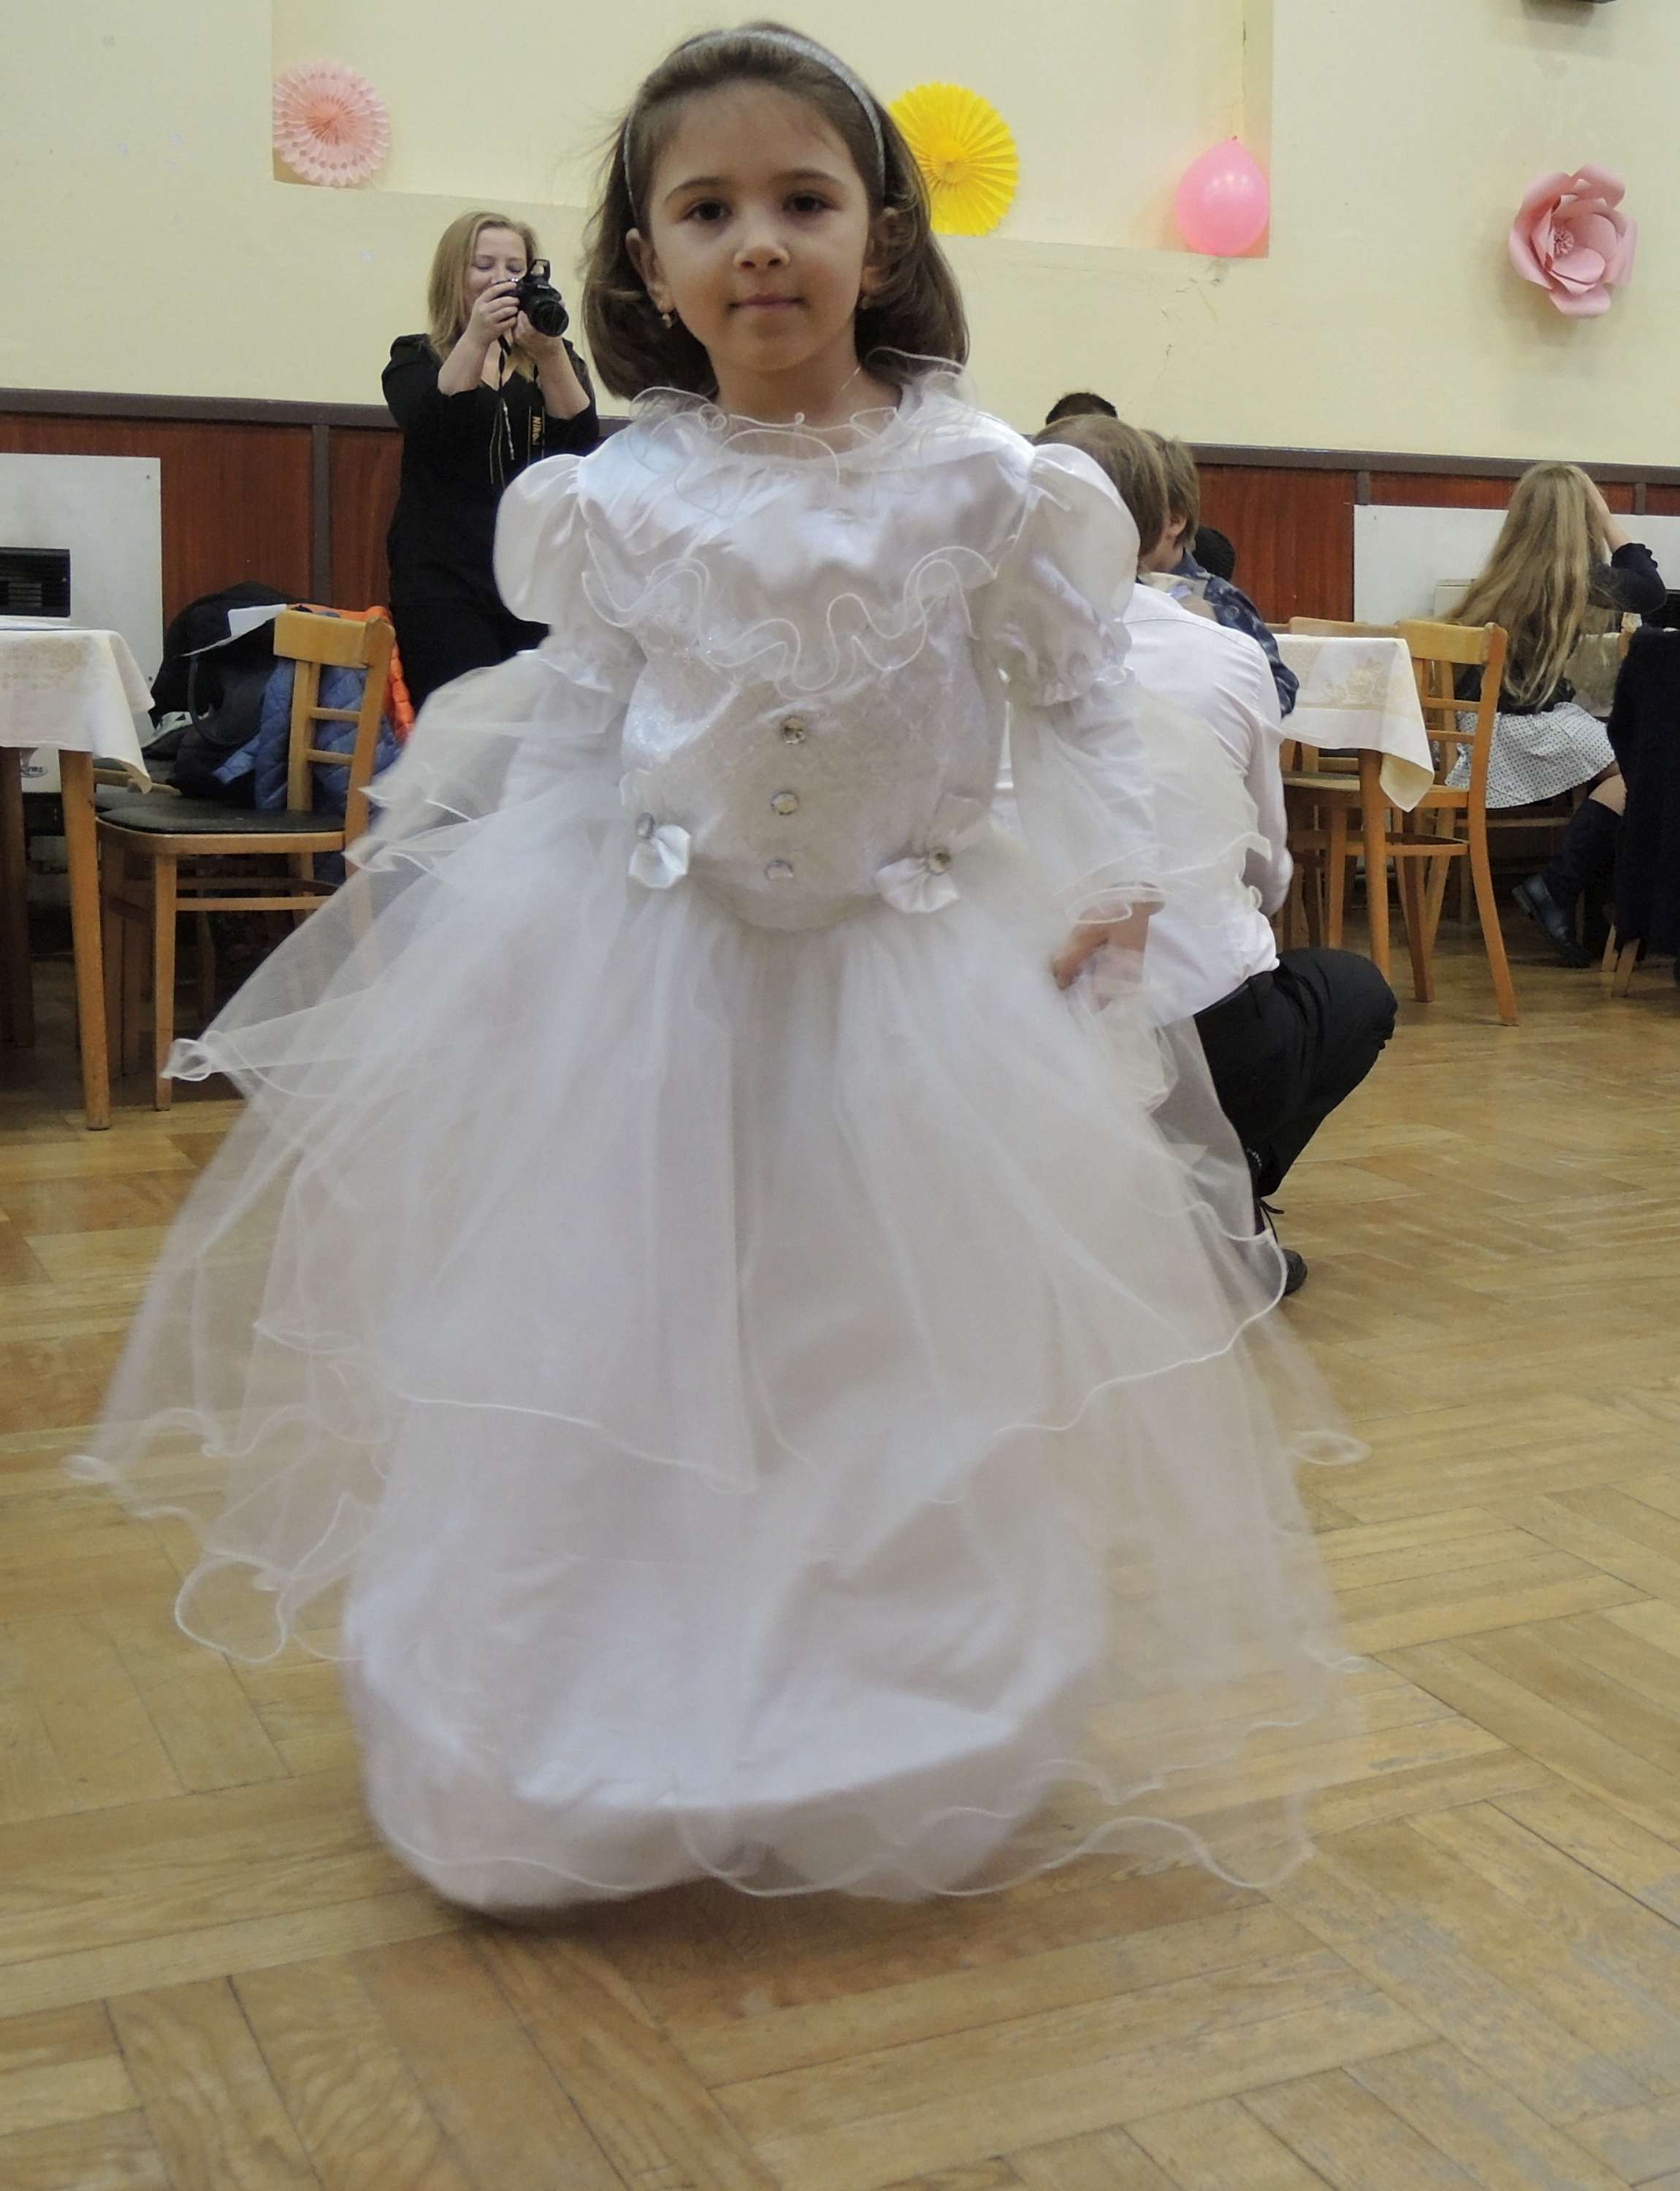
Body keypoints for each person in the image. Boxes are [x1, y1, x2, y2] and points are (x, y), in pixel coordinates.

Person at [78, 21, 1349, 1912]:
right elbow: (579, 726)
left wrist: (1119, 884)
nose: (759, 240)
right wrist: (493, 918)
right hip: (652, 972)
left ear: (880, 237)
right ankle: (580, 1716)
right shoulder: (612, 498)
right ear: (646, 261)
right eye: (708, 209)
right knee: (626, 1328)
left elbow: (1082, 705)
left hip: (906, 981)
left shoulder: (991, 488)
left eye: (802, 200)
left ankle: (879, 1703)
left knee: (875, 1349)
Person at [1037, 415, 1397, 1294]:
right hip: (1195, 1019)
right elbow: (1265, 868)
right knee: (1350, 992)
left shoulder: (964, 641)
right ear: (1160, 528)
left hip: (1013, 1019)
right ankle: (1220, 1191)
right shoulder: (1223, 655)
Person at [1442, 464, 1665, 965]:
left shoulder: (1505, 574)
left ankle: (1578, 901)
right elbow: (1650, 592)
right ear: (1577, 521)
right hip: (1515, 730)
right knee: (1640, 771)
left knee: (1621, 757)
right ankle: (1558, 888)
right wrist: (1607, 518)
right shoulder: (1569, 577)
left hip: (1476, 726)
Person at [383, 211, 601, 708]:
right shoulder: (416, 357)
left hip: (532, 582)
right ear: (454, 276)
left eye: (515, 268)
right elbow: (430, 424)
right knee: (461, 721)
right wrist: (477, 338)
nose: (502, 279)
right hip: (444, 580)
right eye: (484, 266)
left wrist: (550, 355)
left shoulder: (554, 357)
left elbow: (580, 445)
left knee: (533, 728)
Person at [1144, 432, 1299, 719]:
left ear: (1174, 521)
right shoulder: (1101, 590)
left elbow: (1280, 689)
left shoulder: (1218, 599)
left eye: (1130, 517)